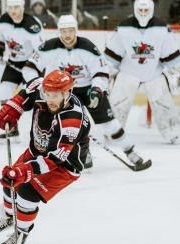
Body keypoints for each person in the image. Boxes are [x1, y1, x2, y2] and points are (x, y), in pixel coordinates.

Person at [22, 15, 151, 170]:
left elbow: (101, 72)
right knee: (72, 127)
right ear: (59, 32)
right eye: (64, 31)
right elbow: (29, 69)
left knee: (110, 124)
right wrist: (41, 87)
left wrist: (97, 90)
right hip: (62, 92)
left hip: (88, 89)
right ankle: (84, 154)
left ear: (76, 30)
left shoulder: (88, 47)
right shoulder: (48, 47)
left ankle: (130, 152)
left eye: (71, 31)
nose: (67, 35)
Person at [0, 70, 90, 244]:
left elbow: (54, 159)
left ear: (68, 93)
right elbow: (28, 90)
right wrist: (14, 107)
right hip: (36, 150)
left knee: (26, 194)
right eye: (48, 94)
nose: (50, 98)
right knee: (9, 183)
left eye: (56, 95)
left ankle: (20, 234)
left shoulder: (71, 120)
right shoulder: (42, 87)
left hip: (64, 166)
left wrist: (25, 171)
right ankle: (10, 217)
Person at [104, 0, 180, 144]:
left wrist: (177, 74)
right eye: (140, 11)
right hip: (128, 72)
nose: (142, 14)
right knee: (118, 102)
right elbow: (111, 57)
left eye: (145, 11)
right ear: (135, 9)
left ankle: (172, 132)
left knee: (163, 102)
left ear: (152, 10)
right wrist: (106, 75)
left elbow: (171, 54)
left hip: (153, 72)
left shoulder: (162, 28)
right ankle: (112, 131)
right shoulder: (123, 28)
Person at [0, 0, 44, 142]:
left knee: (36, 99)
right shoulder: (3, 21)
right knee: (3, 92)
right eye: (10, 8)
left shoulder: (32, 25)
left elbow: (42, 50)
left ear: (22, 8)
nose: (13, 11)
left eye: (16, 7)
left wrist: (32, 65)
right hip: (13, 63)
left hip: (31, 64)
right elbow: (1, 37)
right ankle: (12, 127)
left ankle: (42, 131)